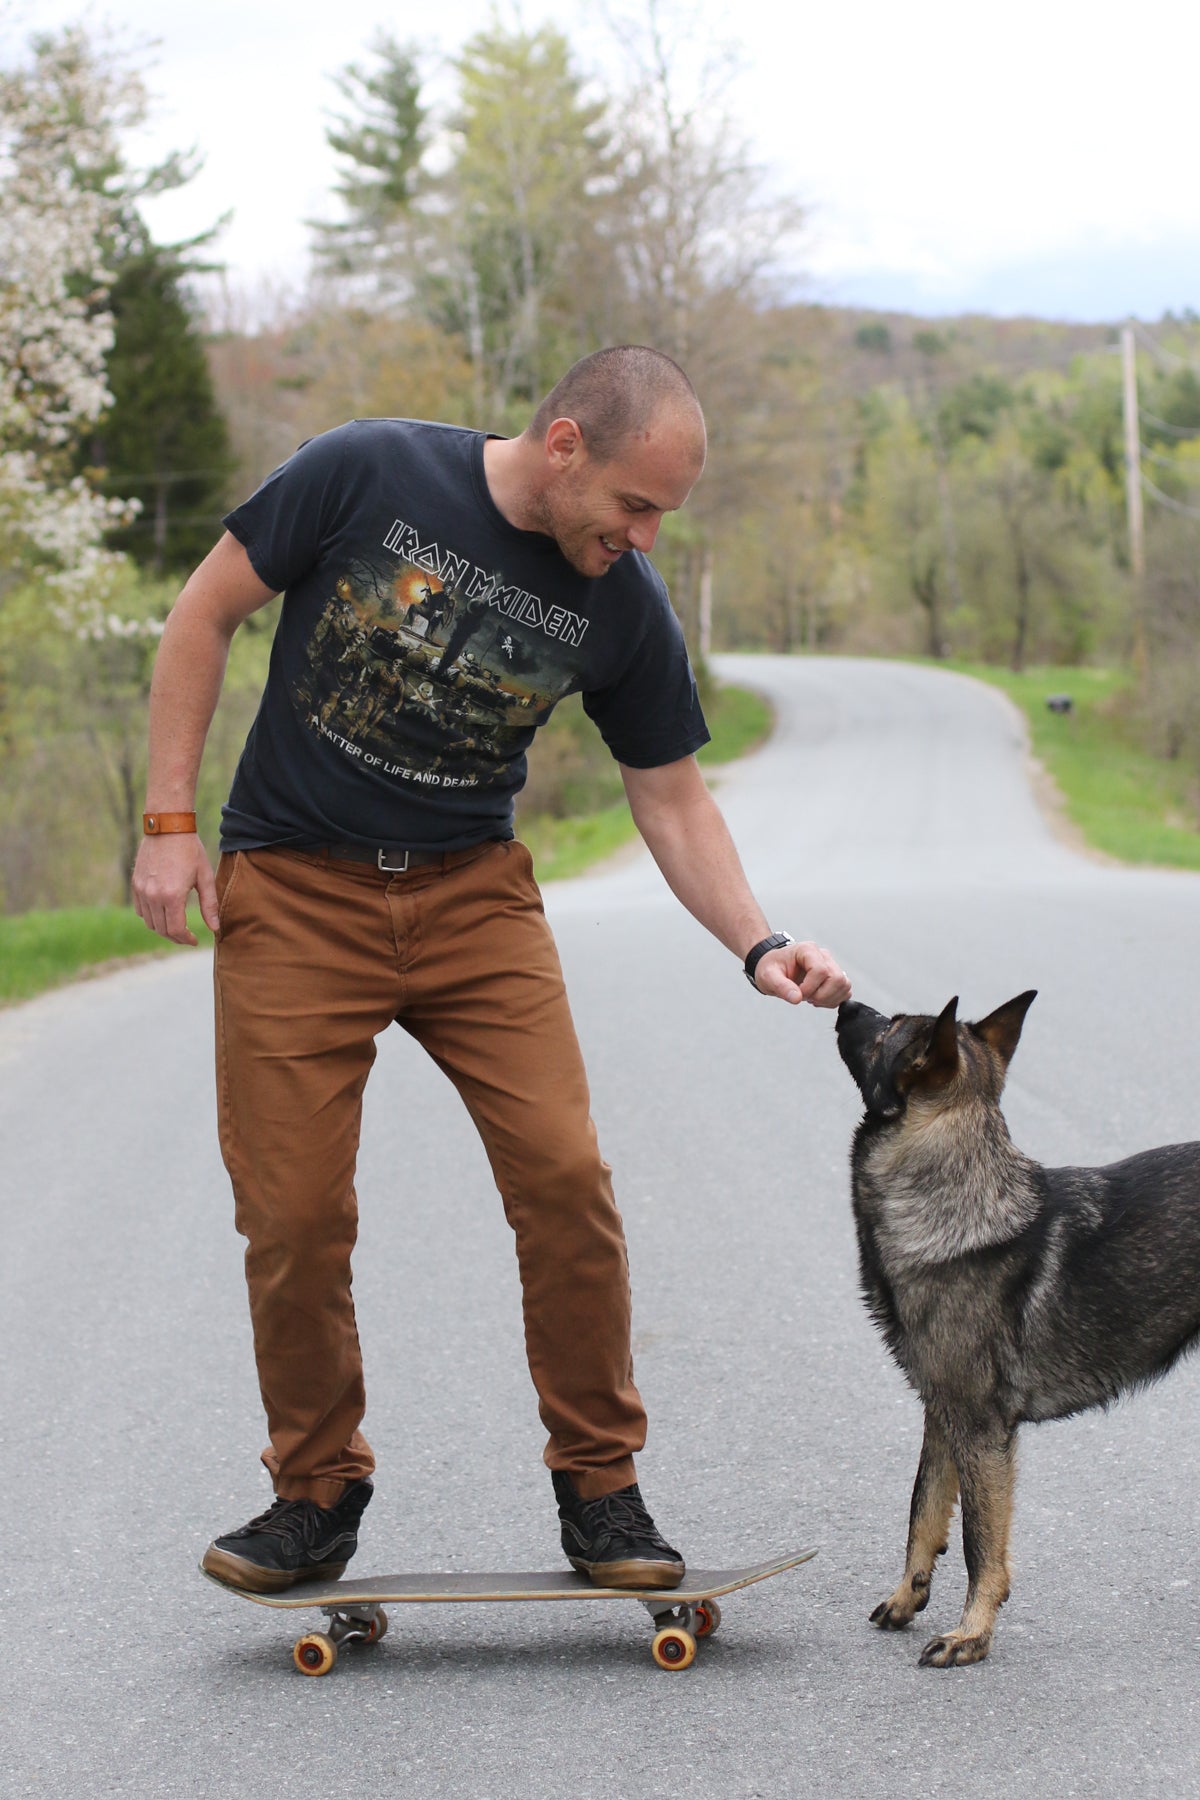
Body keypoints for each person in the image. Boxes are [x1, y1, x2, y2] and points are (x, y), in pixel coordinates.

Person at [132, 345, 851, 1598]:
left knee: (567, 1179)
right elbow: (206, 610)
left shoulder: (623, 602)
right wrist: (170, 822)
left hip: (473, 901)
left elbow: (673, 801)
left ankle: (601, 1486)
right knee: (293, 1213)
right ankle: (315, 1492)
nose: (641, 536)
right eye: (634, 505)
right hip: (296, 891)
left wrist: (758, 941)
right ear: (564, 444)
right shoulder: (368, 470)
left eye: (662, 518)